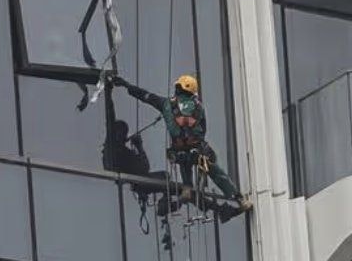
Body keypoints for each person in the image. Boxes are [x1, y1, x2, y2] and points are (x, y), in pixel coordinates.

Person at [107, 72, 251, 212]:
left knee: (184, 163)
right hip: (198, 151)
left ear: (177, 88)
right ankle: (238, 198)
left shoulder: (165, 104)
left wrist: (126, 85)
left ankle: (187, 188)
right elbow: (203, 129)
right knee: (216, 173)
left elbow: (146, 96)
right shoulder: (199, 107)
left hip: (180, 153)